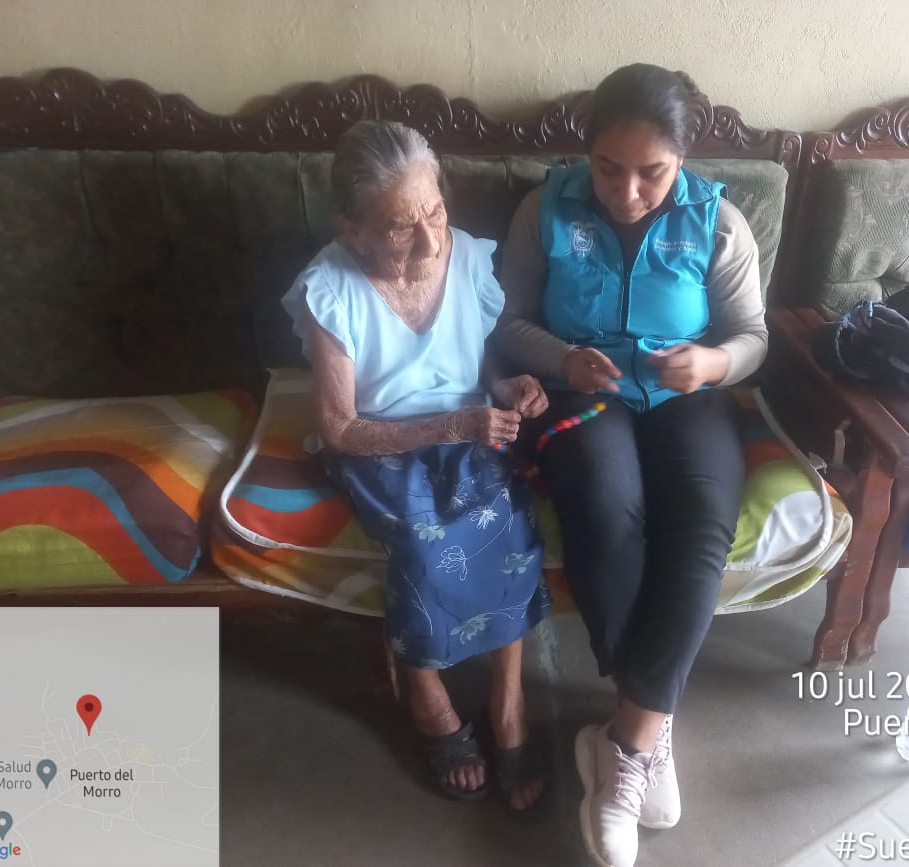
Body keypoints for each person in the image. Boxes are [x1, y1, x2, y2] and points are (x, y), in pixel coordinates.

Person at [495, 64, 767, 865]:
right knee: (608, 507)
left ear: (683, 159)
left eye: (652, 172)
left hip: (688, 398)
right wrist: (563, 358)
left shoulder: (719, 223)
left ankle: (627, 742)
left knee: (702, 524)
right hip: (584, 395)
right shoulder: (544, 209)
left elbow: (753, 335)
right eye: (608, 168)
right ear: (586, 153)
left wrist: (713, 362)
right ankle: (648, 724)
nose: (627, 192)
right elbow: (505, 321)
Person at [281, 120, 552, 813]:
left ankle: (509, 702)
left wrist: (504, 386)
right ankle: (427, 696)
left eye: (435, 211)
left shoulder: (466, 257)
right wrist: (454, 425)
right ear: (354, 232)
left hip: (468, 427)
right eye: (402, 227)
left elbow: (473, 358)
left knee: (510, 521)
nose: (432, 242)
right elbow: (340, 428)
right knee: (425, 543)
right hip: (379, 443)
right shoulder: (330, 290)